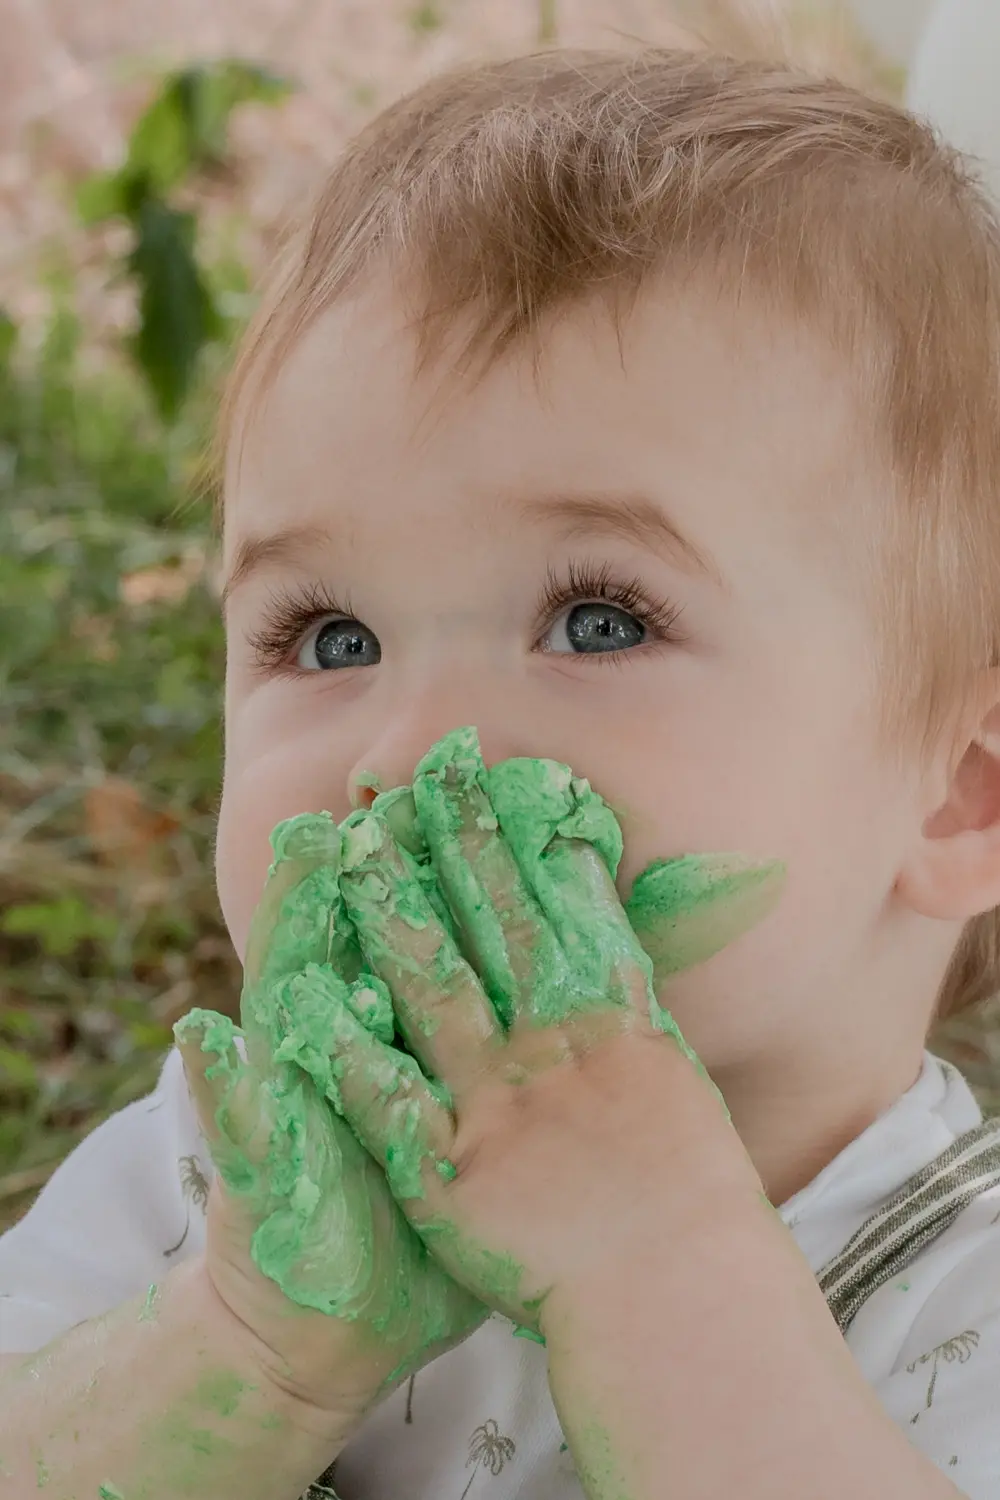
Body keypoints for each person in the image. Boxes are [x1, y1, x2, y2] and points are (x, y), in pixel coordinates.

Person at [4, 40, 1000, 1500]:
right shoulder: (207, 1182)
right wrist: (242, 1352)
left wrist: (659, 1273)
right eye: (328, 635)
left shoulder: (957, 1309)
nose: (404, 753)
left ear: (958, 791)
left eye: (599, 620)